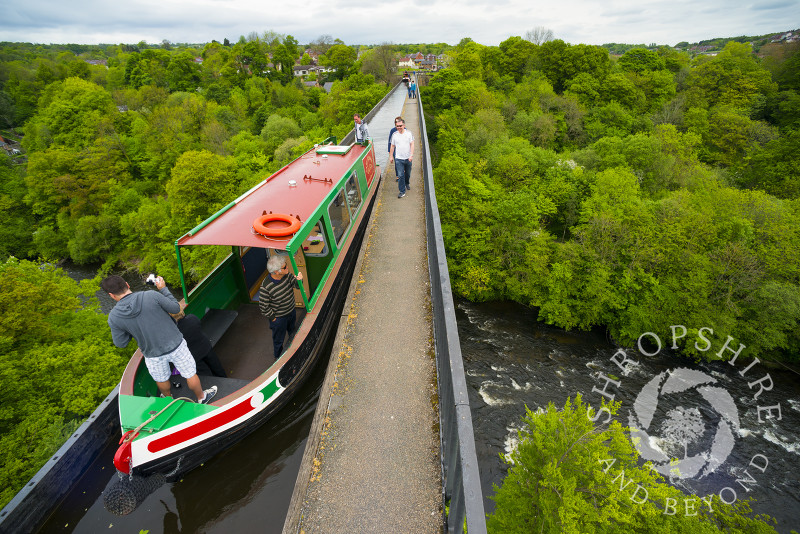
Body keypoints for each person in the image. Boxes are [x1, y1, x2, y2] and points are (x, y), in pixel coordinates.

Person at [101, 275, 217, 404]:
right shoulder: (151, 295)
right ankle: (201, 397)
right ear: (127, 285)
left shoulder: (114, 317)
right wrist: (163, 289)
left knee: (161, 379)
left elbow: (121, 343)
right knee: (190, 373)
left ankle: (169, 401)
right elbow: (176, 308)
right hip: (176, 345)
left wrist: (133, 329)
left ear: (111, 295)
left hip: (152, 354)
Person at [258, 255, 304, 359]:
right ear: (277, 272)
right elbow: (264, 307)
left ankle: (294, 352)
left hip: (291, 312)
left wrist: (300, 280)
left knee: (293, 332)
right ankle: (278, 358)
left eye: (286, 265)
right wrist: (274, 318)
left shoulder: (287, 276)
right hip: (279, 319)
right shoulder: (266, 286)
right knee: (278, 340)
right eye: (285, 267)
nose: (287, 268)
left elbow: (296, 285)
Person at [171, 310, 227, 378]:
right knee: (217, 367)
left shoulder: (174, 332)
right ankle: (224, 377)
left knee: (207, 376)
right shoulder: (192, 318)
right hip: (206, 348)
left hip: (195, 357)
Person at [389, 116, 414, 198]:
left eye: (400, 126)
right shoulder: (394, 135)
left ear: (404, 125)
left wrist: (411, 155)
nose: (399, 127)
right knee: (400, 175)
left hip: (408, 158)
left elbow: (412, 144)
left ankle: (407, 183)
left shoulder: (409, 133)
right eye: (397, 126)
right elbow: (392, 146)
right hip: (399, 158)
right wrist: (391, 156)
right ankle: (402, 191)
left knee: (407, 173)